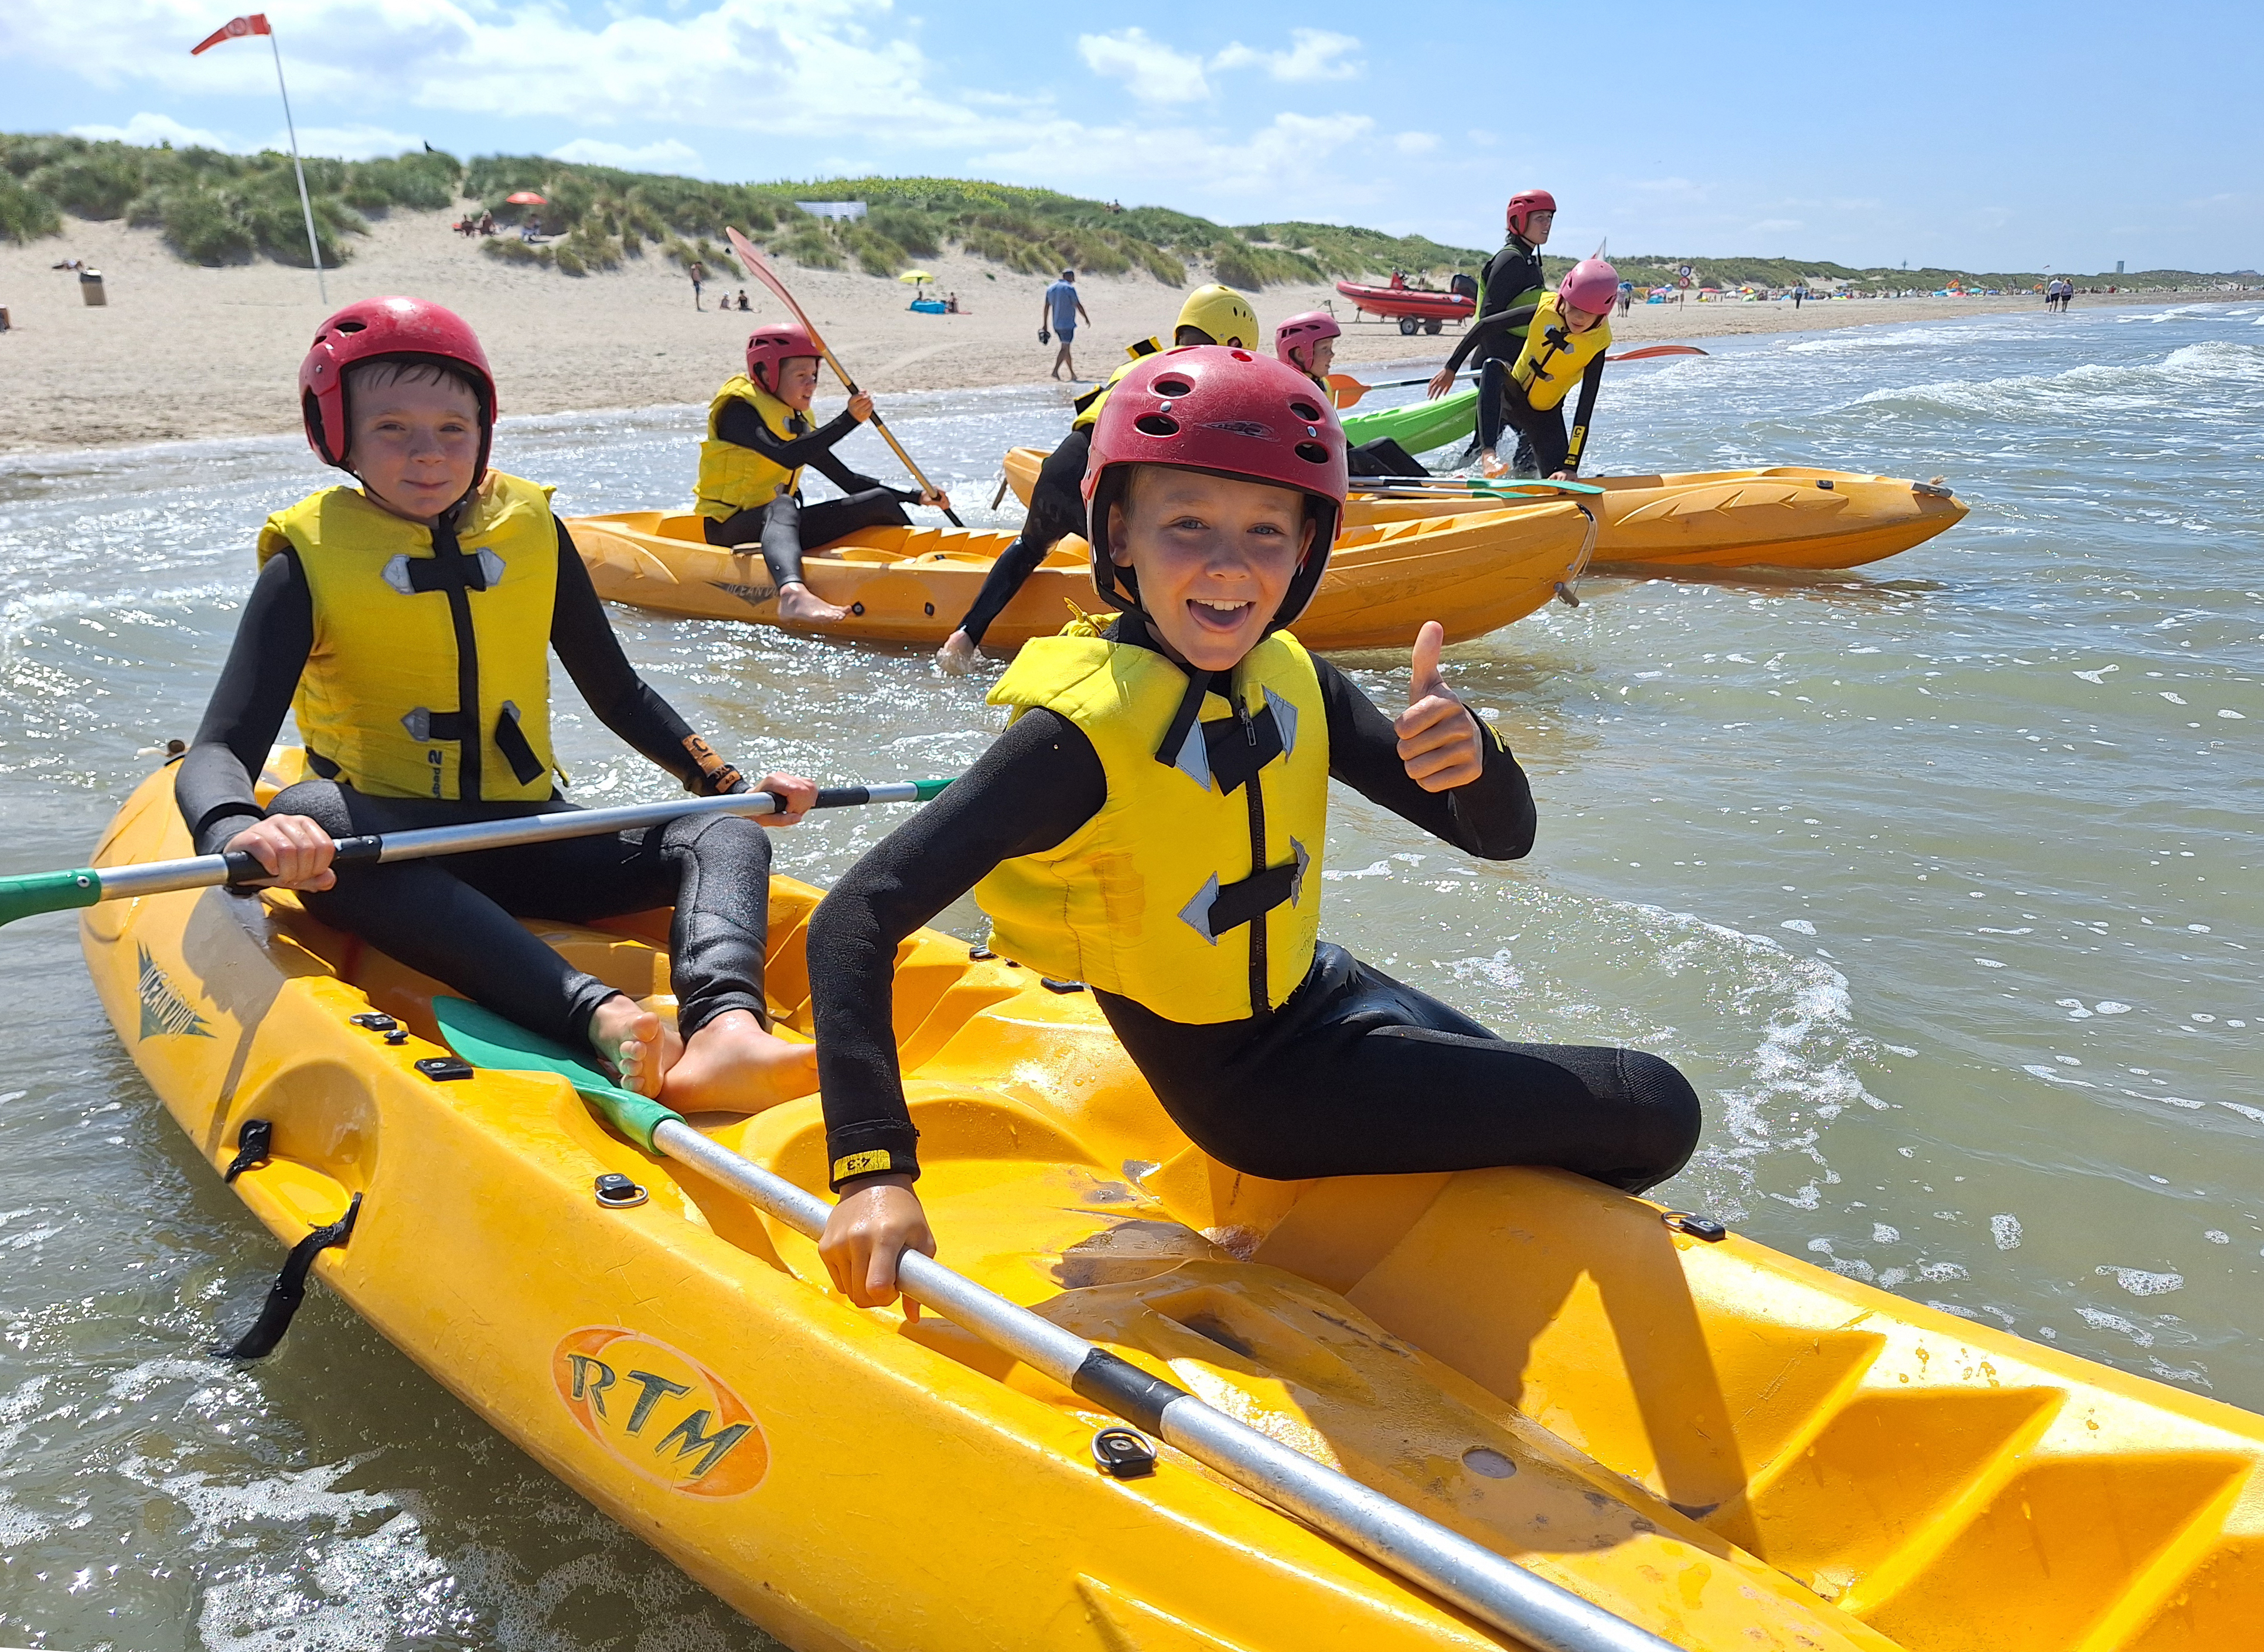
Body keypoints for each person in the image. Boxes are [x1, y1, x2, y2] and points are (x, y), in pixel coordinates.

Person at [806, 347, 1702, 1309]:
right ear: (1119, 536)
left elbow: (1496, 840)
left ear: (1309, 544)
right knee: (1651, 1109)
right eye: (1186, 524)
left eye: (1266, 530)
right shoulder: (1074, 740)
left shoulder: (1292, 674)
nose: (1228, 566)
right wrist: (873, 1172)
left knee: (1575, 1139)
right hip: (1256, 1093)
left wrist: (1477, 762)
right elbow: (854, 919)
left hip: (1334, 996)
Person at [177, 296, 822, 1112]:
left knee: (722, 835)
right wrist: (239, 828)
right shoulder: (304, 562)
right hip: (392, 851)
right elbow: (219, 747)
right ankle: (601, 1015)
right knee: (314, 806)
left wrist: (726, 784)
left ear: (484, 427)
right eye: (392, 430)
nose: (428, 456)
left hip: (527, 832)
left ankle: (727, 1030)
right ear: (336, 433)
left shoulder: (532, 530)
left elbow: (617, 690)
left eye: (453, 428)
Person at [936, 285, 1257, 673]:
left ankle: (965, 636)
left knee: (1029, 546)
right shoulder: (1202, 378)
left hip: (1060, 466)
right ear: (1234, 341)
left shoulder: (1146, 361)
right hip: (1097, 485)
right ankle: (1178, 671)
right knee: (1152, 590)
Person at [694, 323, 951, 625]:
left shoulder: (793, 419)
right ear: (767, 373)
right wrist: (848, 420)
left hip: (780, 530)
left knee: (879, 500)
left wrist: (917, 497)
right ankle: (792, 596)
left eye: (814, 376)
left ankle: (926, 568)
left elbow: (847, 480)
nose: (811, 385)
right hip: (730, 529)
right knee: (784, 504)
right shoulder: (737, 413)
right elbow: (786, 456)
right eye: (800, 376)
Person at [1430, 258, 1619, 480]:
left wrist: (1570, 465)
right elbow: (1485, 326)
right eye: (1574, 307)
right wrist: (1451, 367)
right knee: (1493, 367)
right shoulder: (1544, 310)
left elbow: (1585, 405)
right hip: (1512, 395)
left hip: (1545, 416)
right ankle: (1488, 455)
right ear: (1564, 297)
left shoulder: (1598, 344)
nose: (1579, 317)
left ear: (1603, 313)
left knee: (1559, 483)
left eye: (1589, 313)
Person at [1276, 310, 1423, 479]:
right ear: (1300, 353)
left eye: (1331, 348)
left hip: (1329, 459)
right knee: (1362, 460)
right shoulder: (1294, 393)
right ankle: (1417, 496)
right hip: (1311, 472)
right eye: (1325, 349)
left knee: (1384, 445)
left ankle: (1431, 485)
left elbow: (1337, 439)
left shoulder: (1318, 385)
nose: (1332, 355)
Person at [1469, 189, 1556, 475]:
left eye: (1550, 218)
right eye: (1540, 218)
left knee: (1517, 439)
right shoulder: (1511, 260)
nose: (1547, 225)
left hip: (1518, 367)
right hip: (1496, 364)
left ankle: (1464, 476)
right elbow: (1489, 318)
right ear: (1519, 220)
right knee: (1529, 433)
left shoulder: (1530, 259)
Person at [1042, 269, 1089, 381]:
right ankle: (1055, 371)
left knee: (1066, 348)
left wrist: (1045, 325)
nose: (1074, 280)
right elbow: (1078, 305)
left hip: (1056, 324)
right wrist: (1086, 318)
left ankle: (1072, 374)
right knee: (1064, 348)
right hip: (1067, 324)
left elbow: (1046, 307)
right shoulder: (1069, 288)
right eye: (1073, 277)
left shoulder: (1051, 288)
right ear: (1069, 277)